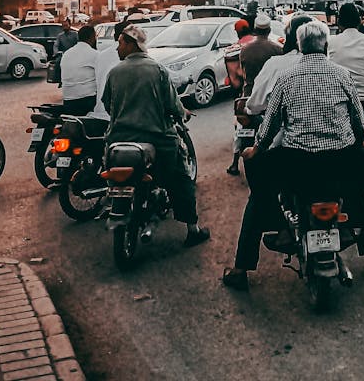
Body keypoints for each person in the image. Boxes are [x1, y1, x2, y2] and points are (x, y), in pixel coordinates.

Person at [222, 19, 364, 290]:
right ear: (325, 44)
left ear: (298, 45)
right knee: (356, 194)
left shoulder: (286, 77)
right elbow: (358, 118)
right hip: (341, 160)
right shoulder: (341, 74)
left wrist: (257, 149)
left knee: (258, 194)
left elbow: (271, 124)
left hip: (297, 163)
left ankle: (241, 268)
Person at [102, 25, 210, 247]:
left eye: (121, 43)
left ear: (133, 44)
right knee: (181, 178)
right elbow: (173, 105)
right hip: (158, 139)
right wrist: (182, 114)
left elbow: (107, 105)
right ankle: (193, 229)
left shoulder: (115, 72)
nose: (118, 48)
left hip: (118, 140)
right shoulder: (157, 70)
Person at [225, 18, 260, 177]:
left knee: (240, 129)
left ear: (237, 32)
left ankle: (234, 164)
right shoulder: (259, 45)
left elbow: (231, 78)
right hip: (262, 92)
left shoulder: (232, 50)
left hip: (243, 96)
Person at [60, 24, 98, 116]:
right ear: (92, 38)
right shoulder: (94, 54)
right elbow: (102, 76)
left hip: (68, 100)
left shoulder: (67, 54)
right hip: (87, 101)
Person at [239, 12, 282, 93]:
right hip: (270, 92)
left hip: (250, 93)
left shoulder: (244, 50)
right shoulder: (277, 49)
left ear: (255, 30)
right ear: (269, 30)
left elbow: (243, 73)